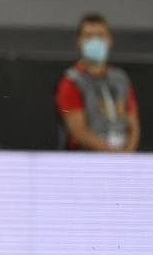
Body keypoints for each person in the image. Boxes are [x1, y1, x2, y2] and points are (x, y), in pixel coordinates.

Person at [56, 13, 140, 152]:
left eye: (100, 36)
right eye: (88, 36)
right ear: (79, 42)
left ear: (110, 40)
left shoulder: (121, 79)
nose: (95, 41)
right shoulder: (71, 82)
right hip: (87, 157)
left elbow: (133, 124)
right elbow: (78, 131)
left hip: (123, 156)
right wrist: (112, 154)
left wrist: (127, 154)